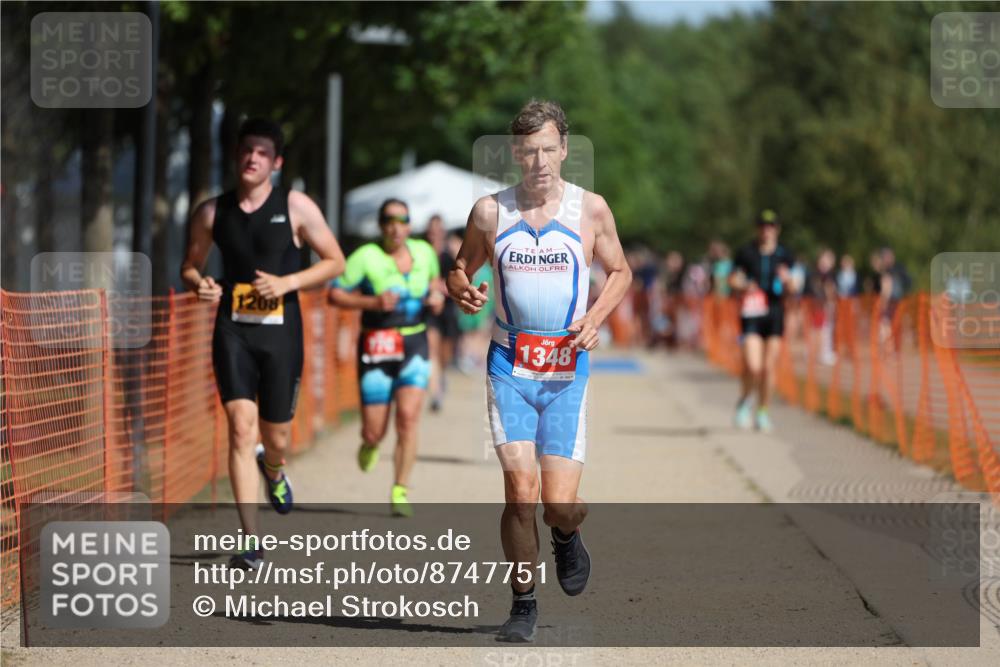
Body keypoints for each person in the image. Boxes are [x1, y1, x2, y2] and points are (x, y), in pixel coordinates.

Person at [447, 100, 631, 642]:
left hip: (567, 370)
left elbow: (620, 271)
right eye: (529, 152)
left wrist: (596, 318)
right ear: (514, 154)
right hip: (509, 366)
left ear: (565, 150)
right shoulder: (490, 212)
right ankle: (523, 603)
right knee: (520, 491)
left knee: (558, 504)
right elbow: (461, 268)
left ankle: (568, 534)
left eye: (549, 149)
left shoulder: (591, 210)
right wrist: (461, 288)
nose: (540, 162)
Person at [181, 118, 345, 569]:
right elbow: (190, 266)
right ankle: (251, 540)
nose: (252, 158)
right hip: (232, 329)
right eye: (245, 150)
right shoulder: (211, 212)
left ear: (276, 163)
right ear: (237, 156)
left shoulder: (296, 206)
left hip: (281, 333)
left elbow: (335, 262)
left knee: (276, 436)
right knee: (239, 427)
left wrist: (287, 281)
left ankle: (273, 468)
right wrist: (201, 285)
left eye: (261, 152)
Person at [328, 198, 444, 517]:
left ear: (409, 225)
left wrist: (436, 296)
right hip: (377, 345)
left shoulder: (424, 252)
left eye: (402, 220)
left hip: (414, 343)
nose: (396, 227)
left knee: (408, 418)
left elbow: (435, 282)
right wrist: (373, 303)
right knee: (374, 428)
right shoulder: (365, 257)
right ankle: (370, 442)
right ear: (381, 226)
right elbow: (334, 293)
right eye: (389, 221)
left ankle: (400, 489)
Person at [729, 209, 795, 433]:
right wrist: (744, 285)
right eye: (763, 226)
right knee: (753, 365)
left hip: (775, 314)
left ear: (777, 229)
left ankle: (763, 411)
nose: (766, 231)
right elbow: (732, 279)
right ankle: (745, 400)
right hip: (752, 313)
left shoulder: (785, 255)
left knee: (768, 367)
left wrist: (789, 283)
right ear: (758, 229)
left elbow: (796, 285)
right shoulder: (746, 252)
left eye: (771, 226)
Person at [424, 215, 459, 411]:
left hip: (447, 310)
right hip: (428, 310)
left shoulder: (449, 255)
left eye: (437, 230)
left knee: (444, 355)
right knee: (432, 351)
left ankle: (441, 377)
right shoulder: (420, 253)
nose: (434, 234)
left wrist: (442, 287)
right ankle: (435, 392)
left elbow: (459, 281)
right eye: (431, 230)